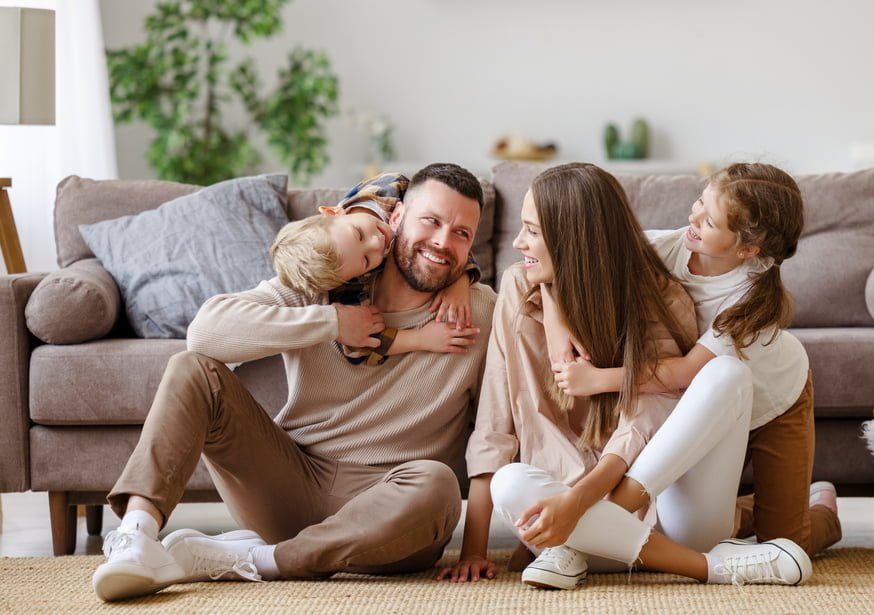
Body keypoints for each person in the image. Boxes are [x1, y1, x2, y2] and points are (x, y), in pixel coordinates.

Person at [92, 163, 496, 602]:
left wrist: (475, 550)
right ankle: (136, 538)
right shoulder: (329, 275)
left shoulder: (480, 312)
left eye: (462, 233)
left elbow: (494, 431)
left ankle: (258, 560)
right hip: (292, 481)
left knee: (437, 484)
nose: (443, 242)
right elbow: (205, 334)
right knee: (192, 369)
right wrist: (332, 322)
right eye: (431, 221)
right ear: (396, 218)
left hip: (391, 511)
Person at [438, 162, 811, 590]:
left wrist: (582, 501)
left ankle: (792, 526)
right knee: (509, 483)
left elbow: (666, 394)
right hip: (572, 510)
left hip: (701, 449)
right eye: (699, 204)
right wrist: (473, 551)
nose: (517, 242)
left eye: (533, 231)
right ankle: (682, 555)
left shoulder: (685, 297)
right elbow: (493, 424)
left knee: (788, 531)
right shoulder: (530, 284)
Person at [270, 172, 481, 364]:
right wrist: (420, 339)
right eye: (366, 260)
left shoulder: (389, 188)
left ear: (333, 212)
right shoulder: (350, 281)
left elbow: (446, 222)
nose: (377, 243)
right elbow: (359, 346)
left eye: (359, 234)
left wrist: (460, 281)